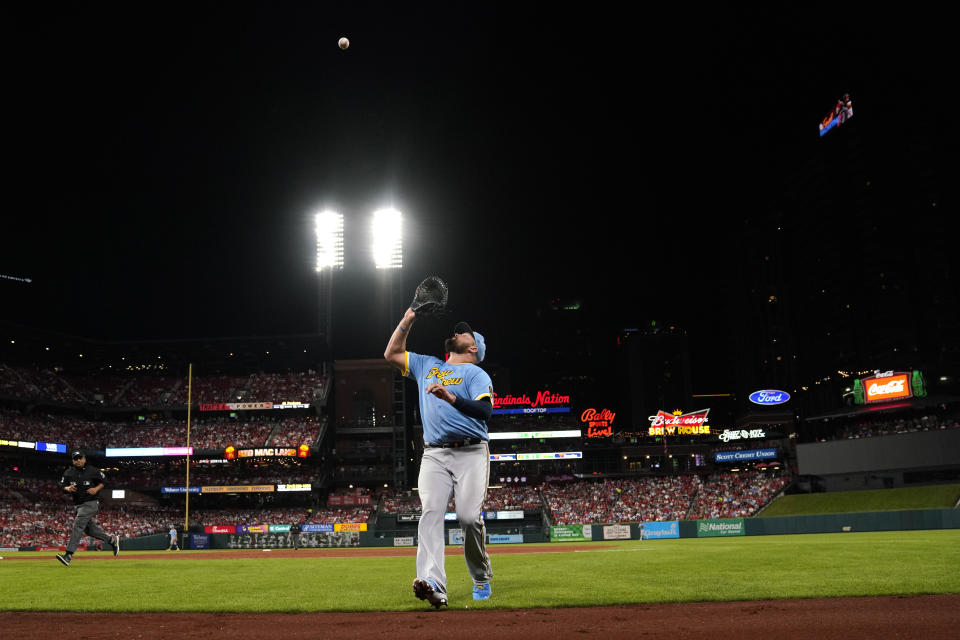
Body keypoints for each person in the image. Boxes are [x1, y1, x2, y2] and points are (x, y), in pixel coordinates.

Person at [385, 309, 495, 608]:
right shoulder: (426, 365)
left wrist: (452, 398)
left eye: (465, 332)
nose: (458, 332)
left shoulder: (476, 373)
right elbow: (392, 353)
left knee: (469, 518)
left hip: (471, 452)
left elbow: (485, 412)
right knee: (431, 512)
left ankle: (481, 576)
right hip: (434, 453)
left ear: (473, 348)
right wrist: (409, 317)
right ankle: (433, 583)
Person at [56, 450, 119, 566]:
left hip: (91, 503)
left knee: (78, 525)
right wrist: (67, 488)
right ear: (73, 461)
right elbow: (61, 485)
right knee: (90, 530)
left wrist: (96, 489)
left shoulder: (92, 470)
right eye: (76, 459)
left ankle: (68, 555)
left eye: (80, 458)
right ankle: (111, 540)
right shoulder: (68, 473)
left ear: (84, 459)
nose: (78, 460)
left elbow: (105, 480)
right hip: (78, 505)